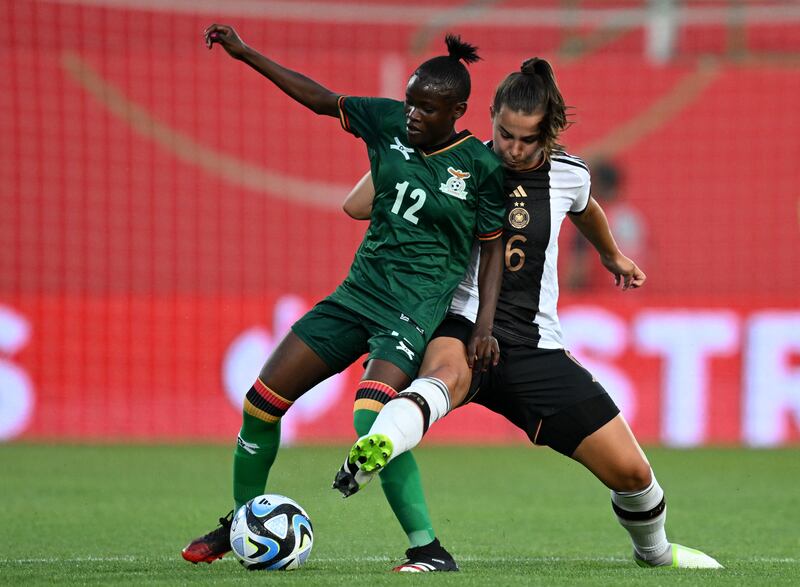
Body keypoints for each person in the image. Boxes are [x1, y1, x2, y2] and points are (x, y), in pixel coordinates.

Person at [335, 57, 722, 570]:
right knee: (443, 375)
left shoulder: (568, 176)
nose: (514, 149)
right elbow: (358, 206)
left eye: (527, 140)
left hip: (535, 345)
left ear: (549, 134)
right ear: (489, 116)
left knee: (632, 474)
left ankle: (655, 554)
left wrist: (610, 255)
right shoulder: (458, 159)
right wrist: (406, 156)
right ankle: (379, 444)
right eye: (505, 134)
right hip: (462, 321)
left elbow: (586, 208)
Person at [181, 25, 507, 572]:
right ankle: (242, 522)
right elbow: (320, 98)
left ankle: (428, 548)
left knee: (371, 421)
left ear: (457, 110)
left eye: (427, 109)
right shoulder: (386, 124)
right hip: (355, 296)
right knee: (260, 401)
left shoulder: (481, 167)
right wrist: (246, 54)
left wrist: (484, 326)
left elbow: (493, 253)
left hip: (411, 310)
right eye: (410, 104)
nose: (413, 115)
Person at [564, 158, 648, 291]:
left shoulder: (590, 218)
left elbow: (580, 269)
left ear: (596, 184)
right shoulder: (635, 218)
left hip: (599, 301)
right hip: (633, 299)